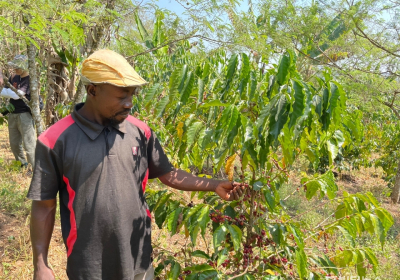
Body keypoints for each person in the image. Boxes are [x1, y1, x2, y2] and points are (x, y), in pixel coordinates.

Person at [28, 49, 247, 280]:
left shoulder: (140, 131)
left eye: (132, 95)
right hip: (88, 265)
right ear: (92, 90)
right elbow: (44, 206)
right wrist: (40, 265)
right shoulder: (55, 140)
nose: (129, 103)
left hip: (138, 258)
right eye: (121, 96)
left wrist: (214, 185)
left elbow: (168, 173)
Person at [0, 55, 36, 168]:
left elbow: (17, 95)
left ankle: (33, 167)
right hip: (13, 114)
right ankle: (23, 164)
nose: (15, 69)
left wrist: (13, 93)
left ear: (24, 66)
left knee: (29, 144)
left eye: (17, 67)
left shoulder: (30, 79)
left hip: (25, 115)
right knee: (14, 143)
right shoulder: (13, 77)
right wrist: (13, 93)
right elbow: (4, 91)